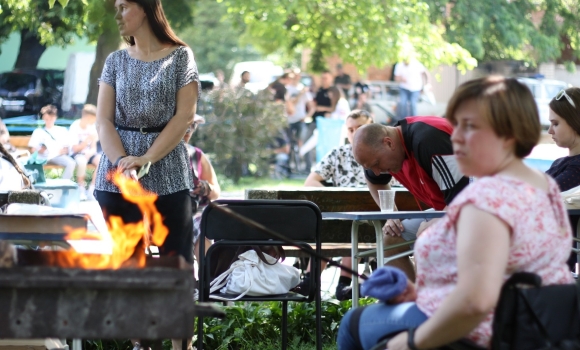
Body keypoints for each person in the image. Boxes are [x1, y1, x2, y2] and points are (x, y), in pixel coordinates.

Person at [338, 76, 575, 350]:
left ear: (507, 134)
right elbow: (505, 273)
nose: (455, 136)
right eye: (456, 124)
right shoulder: (541, 185)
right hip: (524, 322)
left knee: (352, 323)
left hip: (481, 330)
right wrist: (418, 293)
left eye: (469, 126)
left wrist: (413, 341)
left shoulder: (485, 202)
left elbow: (476, 302)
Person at [95, 0, 200, 267]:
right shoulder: (115, 60)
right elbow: (103, 121)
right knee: (128, 263)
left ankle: (175, 309)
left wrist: (147, 158)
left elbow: (184, 116)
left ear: (145, 8)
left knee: (176, 261)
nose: (117, 15)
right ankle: (128, 309)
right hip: (118, 174)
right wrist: (122, 161)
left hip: (169, 172)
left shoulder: (180, 57)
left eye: (124, 7)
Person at [352, 117, 470, 281]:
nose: (377, 171)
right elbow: (373, 180)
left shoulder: (429, 140)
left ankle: (432, 302)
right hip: (453, 207)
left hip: (482, 206)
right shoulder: (386, 151)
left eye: (377, 163)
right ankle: (410, 301)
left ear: (389, 143)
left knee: (427, 235)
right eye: (371, 167)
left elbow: (463, 199)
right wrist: (390, 214)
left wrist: (431, 225)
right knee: (392, 239)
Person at [300, 110, 372, 300]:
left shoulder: (380, 153)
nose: (355, 133)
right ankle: (317, 281)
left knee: (350, 227)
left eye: (360, 128)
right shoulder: (338, 153)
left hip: (372, 218)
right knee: (337, 226)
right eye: (350, 129)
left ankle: (338, 282)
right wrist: (339, 197)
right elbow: (311, 182)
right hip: (343, 216)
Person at [184, 115, 221, 268]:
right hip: (164, 213)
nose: (189, 130)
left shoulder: (196, 155)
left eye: (192, 126)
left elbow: (216, 191)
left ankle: (208, 279)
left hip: (195, 211)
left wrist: (205, 188)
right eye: (186, 125)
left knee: (202, 224)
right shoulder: (156, 154)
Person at [28, 104, 77, 180]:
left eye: (51, 119)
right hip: (42, 157)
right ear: (43, 118)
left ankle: (63, 185)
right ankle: (36, 185)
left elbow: (67, 148)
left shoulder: (62, 130)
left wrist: (61, 152)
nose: (48, 121)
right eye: (46, 119)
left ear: (55, 118)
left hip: (57, 156)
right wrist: (40, 150)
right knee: (32, 163)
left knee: (71, 163)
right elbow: (33, 149)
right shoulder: (38, 131)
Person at [546, 87, 580, 191]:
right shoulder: (559, 163)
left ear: (575, 122)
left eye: (555, 124)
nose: (549, 131)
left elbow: (541, 195)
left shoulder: (576, 168)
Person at [69, 104, 101, 200]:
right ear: (87, 117)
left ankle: (92, 189)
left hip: (88, 154)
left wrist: (89, 153)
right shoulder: (75, 126)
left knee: (101, 161)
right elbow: (75, 149)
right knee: (82, 161)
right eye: (93, 119)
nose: (94, 121)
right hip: (77, 154)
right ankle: (81, 189)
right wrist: (87, 140)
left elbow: (93, 148)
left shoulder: (92, 128)